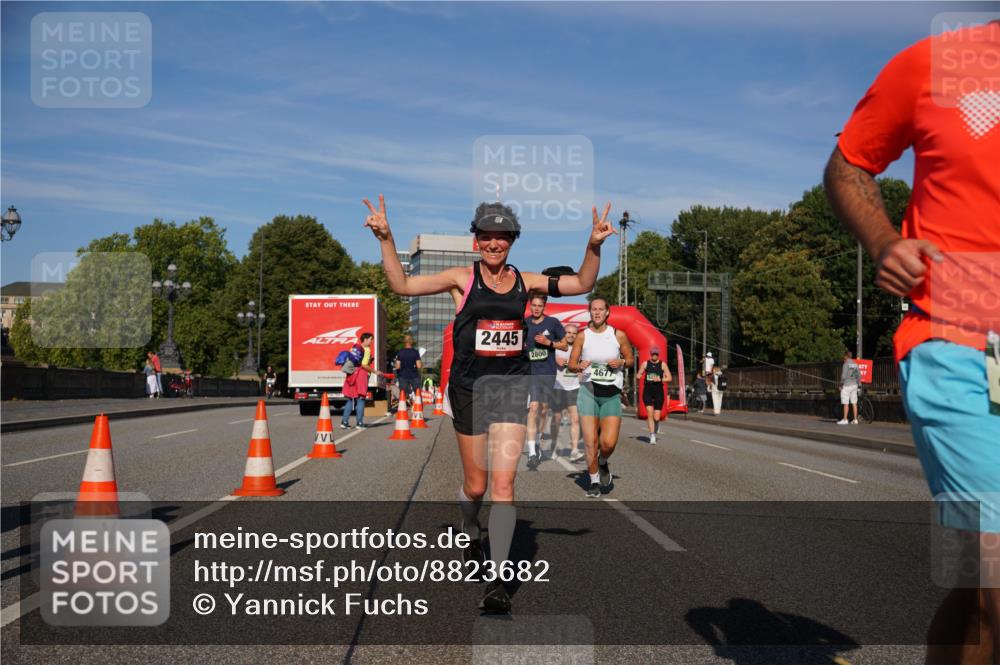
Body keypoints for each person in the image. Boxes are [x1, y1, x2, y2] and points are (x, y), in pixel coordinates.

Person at [825, 21, 1000, 665]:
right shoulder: (936, 64)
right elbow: (850, 163)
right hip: (959, 344)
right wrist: (883, 241)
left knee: (978, 587)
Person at [364, 193, 614, 613]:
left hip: (511, 388)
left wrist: (594, 245)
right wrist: (386, 238)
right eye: (487, 237)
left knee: (503, 485)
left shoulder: (526, 281)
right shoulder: (462, 279)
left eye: (503, 238)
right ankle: (469, 526)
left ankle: (497, 582)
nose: (495, 244)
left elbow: (581, 284)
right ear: (476, 240)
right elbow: (401, 285)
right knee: (477, 486)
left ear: (512, 241)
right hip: (468, 389)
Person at [569, 297, 634, 498]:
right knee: (590, 442)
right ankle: (594, 481)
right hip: (588, 392)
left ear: (607, 313)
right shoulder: (582, 336)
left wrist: (621, 361)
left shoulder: (618, 335)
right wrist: (578, 366)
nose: (596, 312)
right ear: (590, 312)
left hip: (611, 394)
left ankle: (603, 462)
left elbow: (631, 359)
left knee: (608, 443)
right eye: (593, 309)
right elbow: (571, 363)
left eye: (600, 309)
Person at [524, 294, 567, 468]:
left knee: (543, 409)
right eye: (533, 305)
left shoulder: (553, 323)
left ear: (544, 307)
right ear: (530, 306)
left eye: (539, 306)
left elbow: (564, 345)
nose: (536, 308)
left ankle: (538, 441)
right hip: (532, 372)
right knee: (533, 407)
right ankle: (532, 452)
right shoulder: (524, 323)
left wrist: (549, 343)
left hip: (548, 372)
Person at [551, 323, 583, 462]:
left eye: (574, 333)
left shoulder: (579, 350)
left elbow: (583, 366)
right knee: (557, 419)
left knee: (575, 419)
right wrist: (554, 360)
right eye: (568, 332)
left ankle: (574, 450)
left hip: (573, 387)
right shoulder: (557, 347)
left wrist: (581, 370)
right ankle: (553, 447)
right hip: (557, 387)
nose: (571, 335)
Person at [637, 346, 671, 444]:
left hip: (658, 391)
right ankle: (652, 435)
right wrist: (639, 376)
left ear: (658, 355)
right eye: (653, 354)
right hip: (647, 390)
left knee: (656, 417)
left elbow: (669, 378)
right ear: (651, 354)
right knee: (649, 413)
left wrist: (660, 379)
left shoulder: (662, 365)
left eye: (656, 354)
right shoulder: (645, 364)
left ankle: (657, 424)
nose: (654, 356)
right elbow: (638, 374)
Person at [341, 332, 375, 429]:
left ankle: (344, 422)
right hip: (361, 375)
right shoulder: (367, 349)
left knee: (349, 398)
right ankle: (359, 423)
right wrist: (375, 371)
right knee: (361, 398)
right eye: (371, 339)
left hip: (351, 374)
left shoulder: (354, 348)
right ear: (366, 339)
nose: (372, 341)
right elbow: (364, 365)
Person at [394, 335, 422, 403]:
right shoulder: (415, 352)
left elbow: (397, 366)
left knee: (403, 393)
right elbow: (419, 366)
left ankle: (402, 409)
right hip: (414, 376)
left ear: (404, 342)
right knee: (417, 393)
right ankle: (419, 409)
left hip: (403, 376)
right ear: (411, 342)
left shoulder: (400, 352)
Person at [837, 351, 860, 425]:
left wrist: (840, 385)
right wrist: (857, 383)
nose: (843, 358)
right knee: (854, 403)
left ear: (846, 356)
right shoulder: (855, 364)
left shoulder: (846, 364)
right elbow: (859, 376)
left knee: (846, 403)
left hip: (846, 385)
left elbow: (843, 376)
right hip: (854, 385)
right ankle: (855, 419)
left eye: (844, 356)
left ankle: (845, 419)